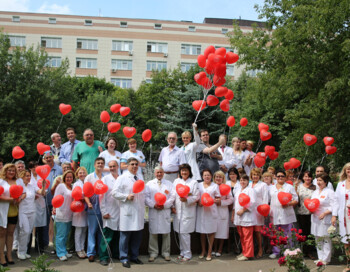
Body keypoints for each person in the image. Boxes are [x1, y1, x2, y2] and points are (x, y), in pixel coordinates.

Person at [112, 158, 145, 268]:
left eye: (136, 164)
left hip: (138, 211)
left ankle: (134, 257)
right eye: (132, 164)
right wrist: (126, 196)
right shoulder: (122, 178)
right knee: (125, 237)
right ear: (127, 165)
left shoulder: (140, 178)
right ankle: (124, 258)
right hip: (127, 211)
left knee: (137, 236)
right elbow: (114, 193)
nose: (135, 166)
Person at [145, 166, 175, 262]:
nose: (159, 174)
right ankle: (153, 253)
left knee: (166, 233)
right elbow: (146, 197)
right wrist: (154, 205)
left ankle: (166, 253)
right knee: (153, 233)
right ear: (154, 173)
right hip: (154, 210)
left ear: (163, 173)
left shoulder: (169, 184)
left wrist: (165, 205)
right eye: (157, 172)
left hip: (164, 211)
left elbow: (172, 196)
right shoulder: (149, 184)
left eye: (161, 172)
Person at [173, 163, 200, 262]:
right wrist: (172, 206)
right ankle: (182, 252)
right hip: (178, 211)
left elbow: (196, 196)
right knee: (180, 232)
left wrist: (187, 200)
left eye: (186, 170)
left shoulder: (193, 182)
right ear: (180, 172)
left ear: (189, 172)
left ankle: (188, 253)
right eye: (182, 170)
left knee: (185, 233)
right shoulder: (176, 181)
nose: (184, 172)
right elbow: (173, 195)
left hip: (188, 211)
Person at [269, 170, 298, 259]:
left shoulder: (289, 187)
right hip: (274, 213)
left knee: (287, 233)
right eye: (278, 176)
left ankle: (287, 251)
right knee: (276, 233)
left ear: (285, 177)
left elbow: (296, 199)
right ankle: (276, 251)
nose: (280, 178)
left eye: (282, 176)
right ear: (275, 177)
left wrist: (288, 204)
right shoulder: (271, 187)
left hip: (286, 213)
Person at [17, 170, 45, 260]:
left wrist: (43, 186)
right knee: (24, 231)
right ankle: (20, 251)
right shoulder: (19, 187)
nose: (29, 177)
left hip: (32, 211)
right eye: (27, 176)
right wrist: (21, 197)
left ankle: (24, 251)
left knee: (29, 232)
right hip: (23, 212)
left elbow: (41, 192)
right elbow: (16, 199)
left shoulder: (32, 186)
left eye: (29, 176)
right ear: (22, 177)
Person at [84, 157, 106, 262]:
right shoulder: (89, 177)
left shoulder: (106, 177)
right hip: (92, 207)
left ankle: (101, 251)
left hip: (104, 208)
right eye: (98, 163)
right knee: (92, 231)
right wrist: (88, 203)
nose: (100, 165)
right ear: (94, 165)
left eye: (102, 163)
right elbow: (85, 193)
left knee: (101, 232)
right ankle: (91, 253)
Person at [311, 173, 335, 265]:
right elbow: (312, 203)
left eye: (320, 180)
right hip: (315, 218)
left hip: (326, 218)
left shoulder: (330, 192)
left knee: (326, 238)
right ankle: (320, 258)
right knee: (318, 238)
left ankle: (326, 259)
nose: (318, 182)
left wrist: (325, 213)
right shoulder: (315, 192)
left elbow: (334, 206)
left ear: (325, 181)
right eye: (317, 180)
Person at [99, 160, 120, 266]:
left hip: (120, 212)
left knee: (117, 235)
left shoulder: (121, 178)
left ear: (118, 166)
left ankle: (116, 254)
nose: (112, 168)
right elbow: (101, 197)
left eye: (114, 166)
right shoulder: (105, 179)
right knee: (107, 235)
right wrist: (104, 211)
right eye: (110, 166)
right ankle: (103, 257)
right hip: (109, 211)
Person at [196, 169, 220, 261]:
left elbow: (218, 199)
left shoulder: (215, 186)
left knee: (211, 231)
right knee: (202, 232)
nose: (207, 177)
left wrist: (212, 201)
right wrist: (199, 202)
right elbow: (197, 197)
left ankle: (209, 252)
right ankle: (203, 251)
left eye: (208, 175)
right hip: (202, 210)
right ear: (202, 176)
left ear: (211, 176)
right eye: (205, 175)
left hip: (211, 211)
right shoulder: (199, 185)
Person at [231, 174, 257, 261]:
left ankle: (248, 254)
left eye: (244, 180)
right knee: (242, 236)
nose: (242, 182)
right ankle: (244, 252)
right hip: (238, 217)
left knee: (247, 237)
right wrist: (233, 215)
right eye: (241, 180)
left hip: (247, 216)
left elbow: (252, 202)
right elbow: (235, 204)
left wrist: (243, 210)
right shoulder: (238, 191)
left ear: (248, 181)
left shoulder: (250, 190)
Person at [0, 164, 20, 266]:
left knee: (10, 233)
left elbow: (23, 192)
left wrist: (20, 198)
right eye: (9, 170)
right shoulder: (1, 181)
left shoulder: (18, 181)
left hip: (13, 211)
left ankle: (9, 254)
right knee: (2, 233)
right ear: (5, 171)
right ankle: (1, 256)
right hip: (2, 211)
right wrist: (11, 199)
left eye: (13, 170)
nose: (11, 172)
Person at [333, 162, 350, 271]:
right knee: (346, 240)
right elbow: (336, 201)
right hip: (344, 216)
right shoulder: (340, 184)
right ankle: (349, 264)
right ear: (345, 171)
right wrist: (334, 215)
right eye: (348, 169)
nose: (349, 171)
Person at [53, 170, 74, 261]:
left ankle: (64, 251)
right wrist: (54, 208)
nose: (69, 178)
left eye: (71, 177)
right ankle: (60, 253)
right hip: (61, 213)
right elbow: (55, 198)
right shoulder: (61, 186)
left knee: (66, 235)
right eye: (67, 177)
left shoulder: (72, 187)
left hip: (69, 214)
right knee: (60, 235)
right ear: (64, 178)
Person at [296, 171, 316, 259]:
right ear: (303, 178)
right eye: (305, 176)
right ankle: (303, 251)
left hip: (311, 213)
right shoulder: (299, 187)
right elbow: (296, 199)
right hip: (301, 212)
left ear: (311, 178)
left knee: (310, 233)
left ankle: (310, 251)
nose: (307, 178)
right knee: (303, 232)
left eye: (309, 177)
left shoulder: (315, 188)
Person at [213, 170, 233, 257]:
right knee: (214, 231)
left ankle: (220, 249)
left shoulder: (226, 187)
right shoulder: (212, 186)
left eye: (220, 177)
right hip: (213, 211)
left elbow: (231, 199)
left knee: (222, 231)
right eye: (216, 177)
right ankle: (214, 248)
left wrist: (221, 202)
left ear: (223, 178)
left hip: (222, 211)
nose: (218, 178)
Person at [249, 168, 268, 259]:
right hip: (249, 210)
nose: (255, 176)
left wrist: (264, 210)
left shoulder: (263, 185)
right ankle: (252, 249)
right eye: (253, 175)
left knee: (258, 231)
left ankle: (261, 248)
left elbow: (265, 198)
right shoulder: (249, 184)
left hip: (259, 210)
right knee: (250, 231)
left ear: (259, 176)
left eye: (257, 175)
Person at [72, 167, 88, 259]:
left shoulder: (87, 183)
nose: (82, 174)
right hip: (78, 209)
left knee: (84, 230)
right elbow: (75, 196)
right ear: (77, 175)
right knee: (78, 230)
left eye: (83, 173)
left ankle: (82, 248)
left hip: (86, 210)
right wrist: (84, 198)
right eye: (80, 173)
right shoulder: (76, 184)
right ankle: (78, 249)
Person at [227, 167, 241, 254]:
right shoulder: (226, 183)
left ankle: (237, 246)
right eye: (231, 174)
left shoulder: (240, 183)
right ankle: (228, 246)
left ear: (237, 175)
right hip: (227, 208)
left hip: (237, 208)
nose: (232, 176)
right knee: (228, 229)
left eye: (234, 174)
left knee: (236, 229)